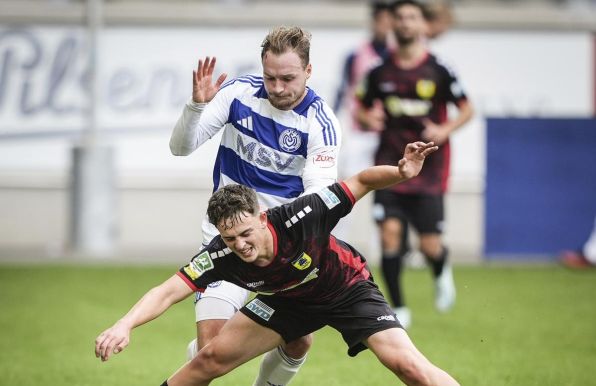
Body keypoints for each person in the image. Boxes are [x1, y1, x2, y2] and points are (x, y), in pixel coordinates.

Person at [95, 141, 461, 386]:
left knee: (409, 367)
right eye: (229, 238)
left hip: (346, 289)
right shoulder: (222, 254)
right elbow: (168, 290)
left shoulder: (302, 215)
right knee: (207, 361)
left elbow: (362, 180)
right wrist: (124, 325)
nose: (240, 245)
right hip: (288, 301)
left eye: (245, 234)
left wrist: (401, 173)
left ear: (263, 216)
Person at [168, 26, 341, 385]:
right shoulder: (238, 94)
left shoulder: (320, 122)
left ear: (309, 71)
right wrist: (196, 106)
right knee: (210, 351)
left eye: (288, 78)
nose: (277, 88)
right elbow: (181, 148)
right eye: (270, 77)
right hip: (229, 241)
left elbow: (318, 195)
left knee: (299, 341)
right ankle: (200, 355)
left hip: (283, 248)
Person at [356, 0, 474, 329]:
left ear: (423, 25)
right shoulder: (379, 71)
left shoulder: (439, 69)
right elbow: (361, 107)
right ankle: (399, 308)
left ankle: (440, 267)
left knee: (429, 244)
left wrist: (445, 129)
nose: (406, 23)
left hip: (429, 170)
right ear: (392, 24)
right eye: (400, 18)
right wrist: (370, 117)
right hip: (391, 165)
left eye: (412, 17)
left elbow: (466, 109)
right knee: (390, 236)